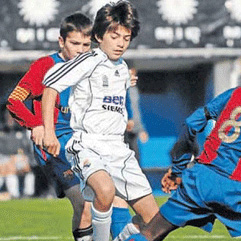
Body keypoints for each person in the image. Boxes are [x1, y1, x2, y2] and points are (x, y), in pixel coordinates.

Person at [42, 1, 159, 241]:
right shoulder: (88, 60)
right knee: (104, 191)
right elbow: (50, 86)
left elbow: (113, 92)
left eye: (126, 38)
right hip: (87, 144)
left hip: (118, 149)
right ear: (98, 35)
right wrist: (49, 132)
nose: (120, 43)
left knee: (154, 222)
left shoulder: (122, 67)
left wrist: (128, 83)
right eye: (114, 36)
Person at [7, 12, 93, 241]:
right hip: (55, 143)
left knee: (108, 200)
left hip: (86, 141)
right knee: (84, 205)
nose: (81, 49)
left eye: (86, 44)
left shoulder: (93, 64)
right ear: (61, 41)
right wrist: (36, 125)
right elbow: (14, 100)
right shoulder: (45, 66)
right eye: (75, 43)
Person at [125, 86, 241, 240]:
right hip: (234, 187)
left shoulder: (235, 93)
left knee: (150, 234)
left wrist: (178, 169)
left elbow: (191, 123)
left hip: (200, 180)